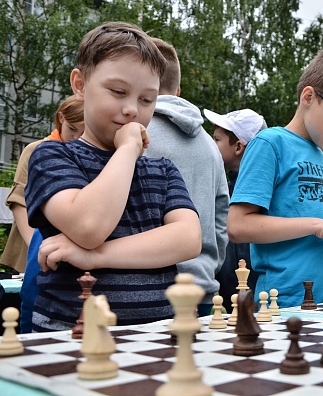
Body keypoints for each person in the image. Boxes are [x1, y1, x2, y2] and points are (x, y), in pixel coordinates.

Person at [24, 22, 201, 332]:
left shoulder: (163, 170)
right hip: (71, 339)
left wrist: (93, 257)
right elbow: (90, 225)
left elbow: (188, 239)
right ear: (80, 84)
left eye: (147, 100)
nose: (132, 109)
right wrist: (129, 148)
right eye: (118, 92)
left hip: (157, 339)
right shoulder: (52, 156)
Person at [227, 49, 323, 308]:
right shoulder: (270, 144)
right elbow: (238, 226)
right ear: (309, 96)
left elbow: (305, 213)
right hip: (286, 301)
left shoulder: (322, 157)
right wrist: (318, 224)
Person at [144, 38, 229, 317]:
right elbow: (221, 222)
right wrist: (207, 267)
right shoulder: (210, 145)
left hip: (142, 290)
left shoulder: (133, 135)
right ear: (179, 90)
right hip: (202, 290)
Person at [1, 95, 85, 275]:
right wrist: (36, 246)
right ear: (61, 118)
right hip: (36, 248)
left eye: (84, 132)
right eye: (72, 128)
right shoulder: (36, 149)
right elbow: (18, 202)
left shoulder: (88, 155)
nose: (76, 137)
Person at [205, 108, 267, 313]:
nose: (211, 145)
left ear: (238, 146)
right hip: (229, 300)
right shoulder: (219, 188)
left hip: (262, 303)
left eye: (216, 139)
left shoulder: (269, 192)